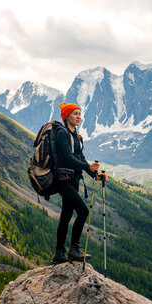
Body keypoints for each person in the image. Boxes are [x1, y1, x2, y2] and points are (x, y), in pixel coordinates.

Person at [49, 103, 107, 265]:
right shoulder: (62, 133)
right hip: (62, 180)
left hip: (73, 180)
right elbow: (68, 158)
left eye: (80, 114)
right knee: (82, 211)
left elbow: (80, 158)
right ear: (66, 116)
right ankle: (74, 249)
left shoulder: (75, 135)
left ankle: (59, 254)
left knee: (66, 216)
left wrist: (95, 174)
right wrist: (87, 167)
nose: (79, 117)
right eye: (75, 114)